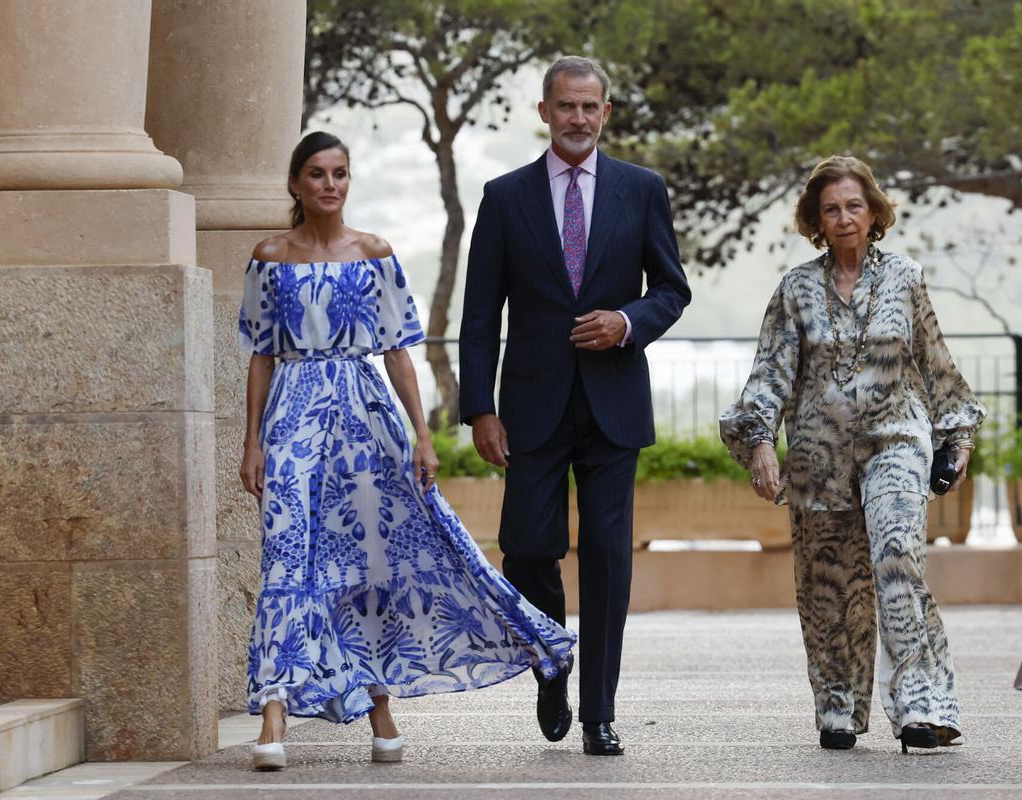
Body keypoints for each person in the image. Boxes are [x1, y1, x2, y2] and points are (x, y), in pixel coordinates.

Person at [238, 131, 576, 771]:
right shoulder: (270, 256)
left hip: (366, 419)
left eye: (340, 173)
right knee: (286, 556)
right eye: (316, 174)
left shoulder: (375, 254)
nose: (329, 185)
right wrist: (251, 440)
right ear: (295, 184)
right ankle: (274, 715)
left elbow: (399, 350)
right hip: (292, 416)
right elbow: (260, 354)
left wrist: (422, 436)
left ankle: (382, 710)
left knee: (370, 561)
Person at [458, 56, 691, 756]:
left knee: (608, 559)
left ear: (606, 113)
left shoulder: (642, 189)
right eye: (566, 106)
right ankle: (552, 654)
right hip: (531, 406)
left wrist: (627, 322)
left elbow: (672, 290)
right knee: (528, 550)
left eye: (591, 107)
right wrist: (480, 409)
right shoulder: (504, 197)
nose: (578, 118)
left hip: (614, 402)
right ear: (545, 111)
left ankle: (599, 713)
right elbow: (478, 316)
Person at [720, 155, 985, 753]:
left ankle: (923, 706)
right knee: (829, 583)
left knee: (897, 560)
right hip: (819, 453)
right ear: (816, 218)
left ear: (874, 212)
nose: (844, 218)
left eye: (854, 206)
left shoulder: (905, 278)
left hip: (897, 437)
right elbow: (770, 374)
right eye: (831, 209)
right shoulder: (795, 289)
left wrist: (957, 436)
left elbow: (936, 362)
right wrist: (760, 441)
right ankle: (838, 704)